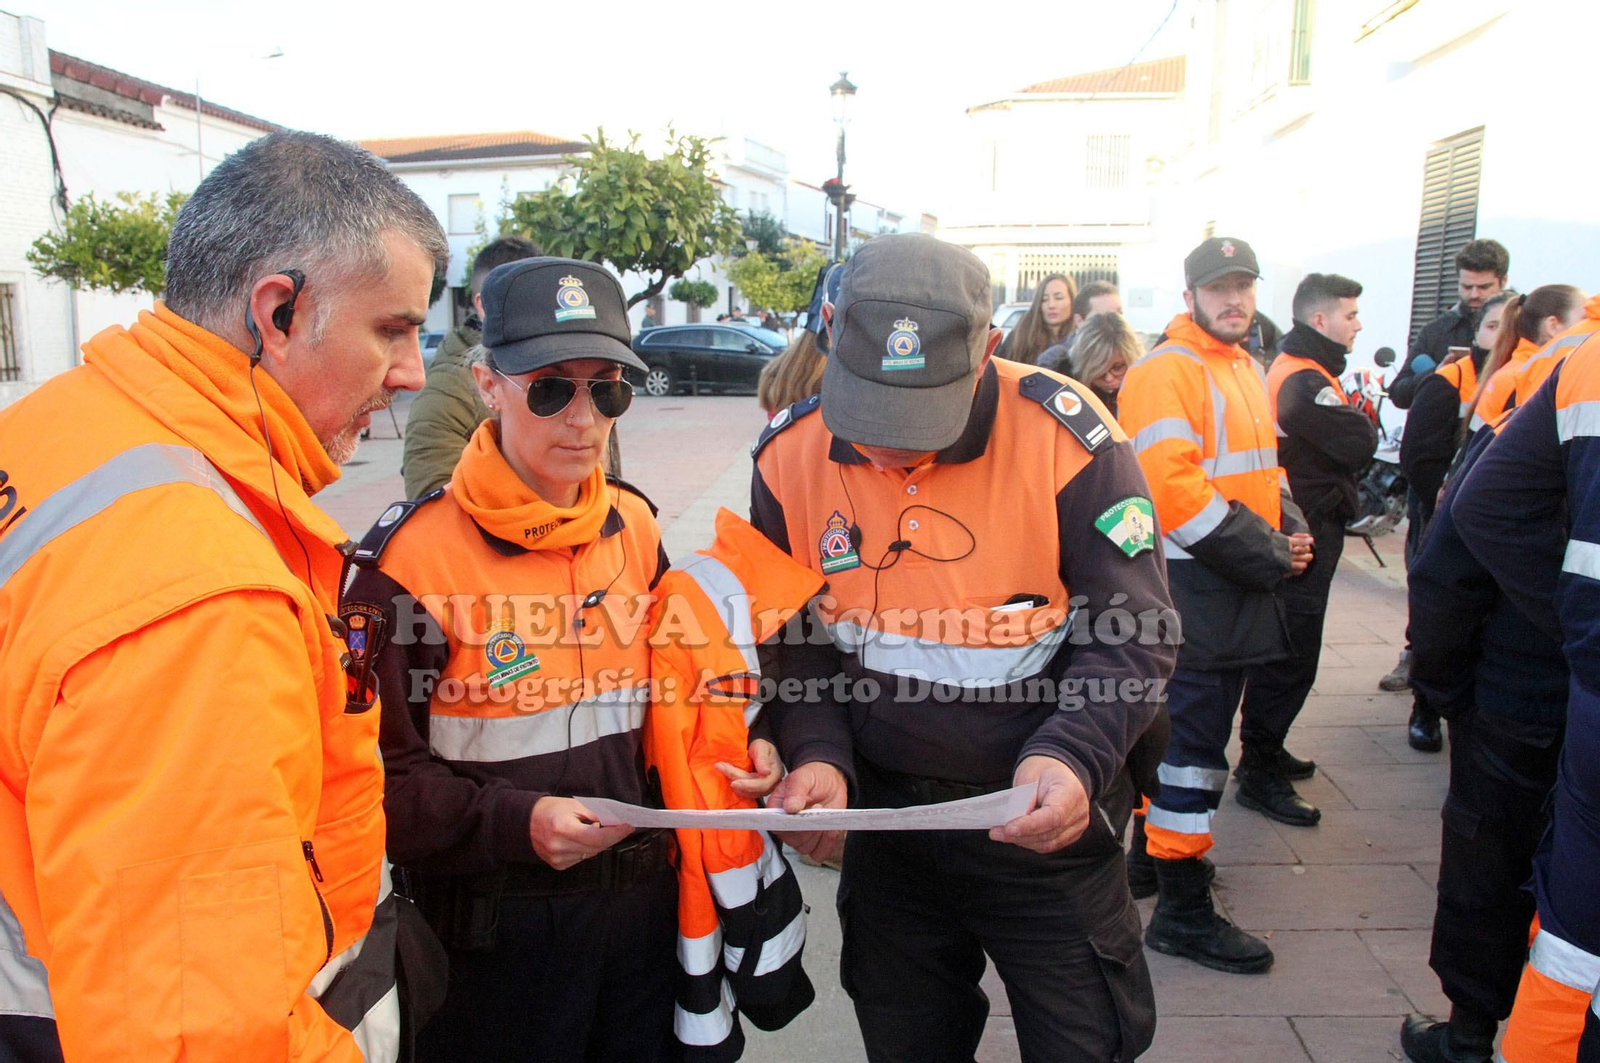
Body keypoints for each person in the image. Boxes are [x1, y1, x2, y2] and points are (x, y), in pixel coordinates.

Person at [0, 130, 447, 1061]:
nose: (410, 370)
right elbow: (194, 1023)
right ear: (278, 312)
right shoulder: (200, 591)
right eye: (392, 329)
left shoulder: (59, 428)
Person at [341, 257, 782, 1063]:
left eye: (608, 387)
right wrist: (515, 823)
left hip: (643, 935)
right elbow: (372, 787)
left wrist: (746, 747)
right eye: (551, 387)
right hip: (492, 951)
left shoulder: (637, 527)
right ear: (487, 382)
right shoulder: (404, 565)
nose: (583, 417)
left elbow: (674, 708)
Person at [753, 233, 1174, 1062]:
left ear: (985, 350)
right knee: (907, 1035)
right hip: (886, 827)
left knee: (1089, 1037)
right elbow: (793, 642)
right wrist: (817, 754)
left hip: (1037, 823)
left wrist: (1070, 757)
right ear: (829, 330)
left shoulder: (1068, 438)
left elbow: (1134, 634)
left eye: (919, 421)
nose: (888, 450)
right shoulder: (786, 455)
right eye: (870, 411)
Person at [1118, 236, 1312, 974]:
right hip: (1196, 587)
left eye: (1244, 285)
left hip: (1227, 582)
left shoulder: (1242, 366)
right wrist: (1265, 550)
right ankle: (1183, 909)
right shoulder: (1169, 369)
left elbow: (1263, 468)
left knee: (1186, 741)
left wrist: (1287, 524)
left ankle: (1147, 867)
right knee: (1192, 757)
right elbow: (1170, 490)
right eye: (1218, 287)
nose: (1233, 299)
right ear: (1190, 293)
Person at [1398, 398, 1569, 1063]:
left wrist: (1442, 687)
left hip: (1520, 690)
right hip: (1528, 689)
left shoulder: (1550, 392)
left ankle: (1470, 1035)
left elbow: (1447, 564)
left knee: (1489, 862)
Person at [1449, 335, 1600, 1063]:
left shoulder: (1578, 362)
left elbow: (1476, 507)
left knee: (1573, 928)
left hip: (1576, 680)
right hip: (1544, 676)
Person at [1233, 274, 1380, 827]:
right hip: (1303, 532)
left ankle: (1265, 749)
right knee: (1291, 656)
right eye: (1351, 315)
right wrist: (1357, 430)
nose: (1358, 324)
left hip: (1304, 526)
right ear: (1320, 321)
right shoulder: (1302, 378)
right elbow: (1358, 440)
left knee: (1291, 651)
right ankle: (1258, 767)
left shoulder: (1304, 370)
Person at [1398, 289, 1515, 750]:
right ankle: (1425, 705)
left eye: (1507, 325)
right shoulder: (1450, 381)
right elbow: (1420, 458)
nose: (1499, 336)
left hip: (1499, 531)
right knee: (1440, 617)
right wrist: (1448, 511)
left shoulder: (1532, 377)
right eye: (1490, 326)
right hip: (1447, 521)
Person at [403, 235, 542, 498]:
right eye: (525, 302)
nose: (540, 316)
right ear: (483, 305)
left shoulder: (563, 368)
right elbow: (433, 512)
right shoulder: (448, 392)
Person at [1389, 239, 1511, 410]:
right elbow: (1399, 393)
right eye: (1467, 287)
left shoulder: (1524, 326)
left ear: (1503, 281)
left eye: (1483, 287)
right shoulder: (1437, 331)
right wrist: (1436, 374)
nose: (1474, 294)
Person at [1466, 285, 1587, 433]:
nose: (1591, 326)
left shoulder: (1517, 369)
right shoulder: (1525, 377)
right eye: (1585, 318)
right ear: (1553, 326)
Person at [1050, 309, 1140, 416]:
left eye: (1118, 367)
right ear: (1083, 366)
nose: (1109, 378)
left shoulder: (1146, 387)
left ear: (1132, 360)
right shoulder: (1062, 390)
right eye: (1098, 371)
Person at [995, 271, 1079, 364]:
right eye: (1044, 299)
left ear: (1072, 300)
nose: (1051, 305)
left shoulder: (1081, 338)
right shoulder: (1021, 336)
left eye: (1058, 298)